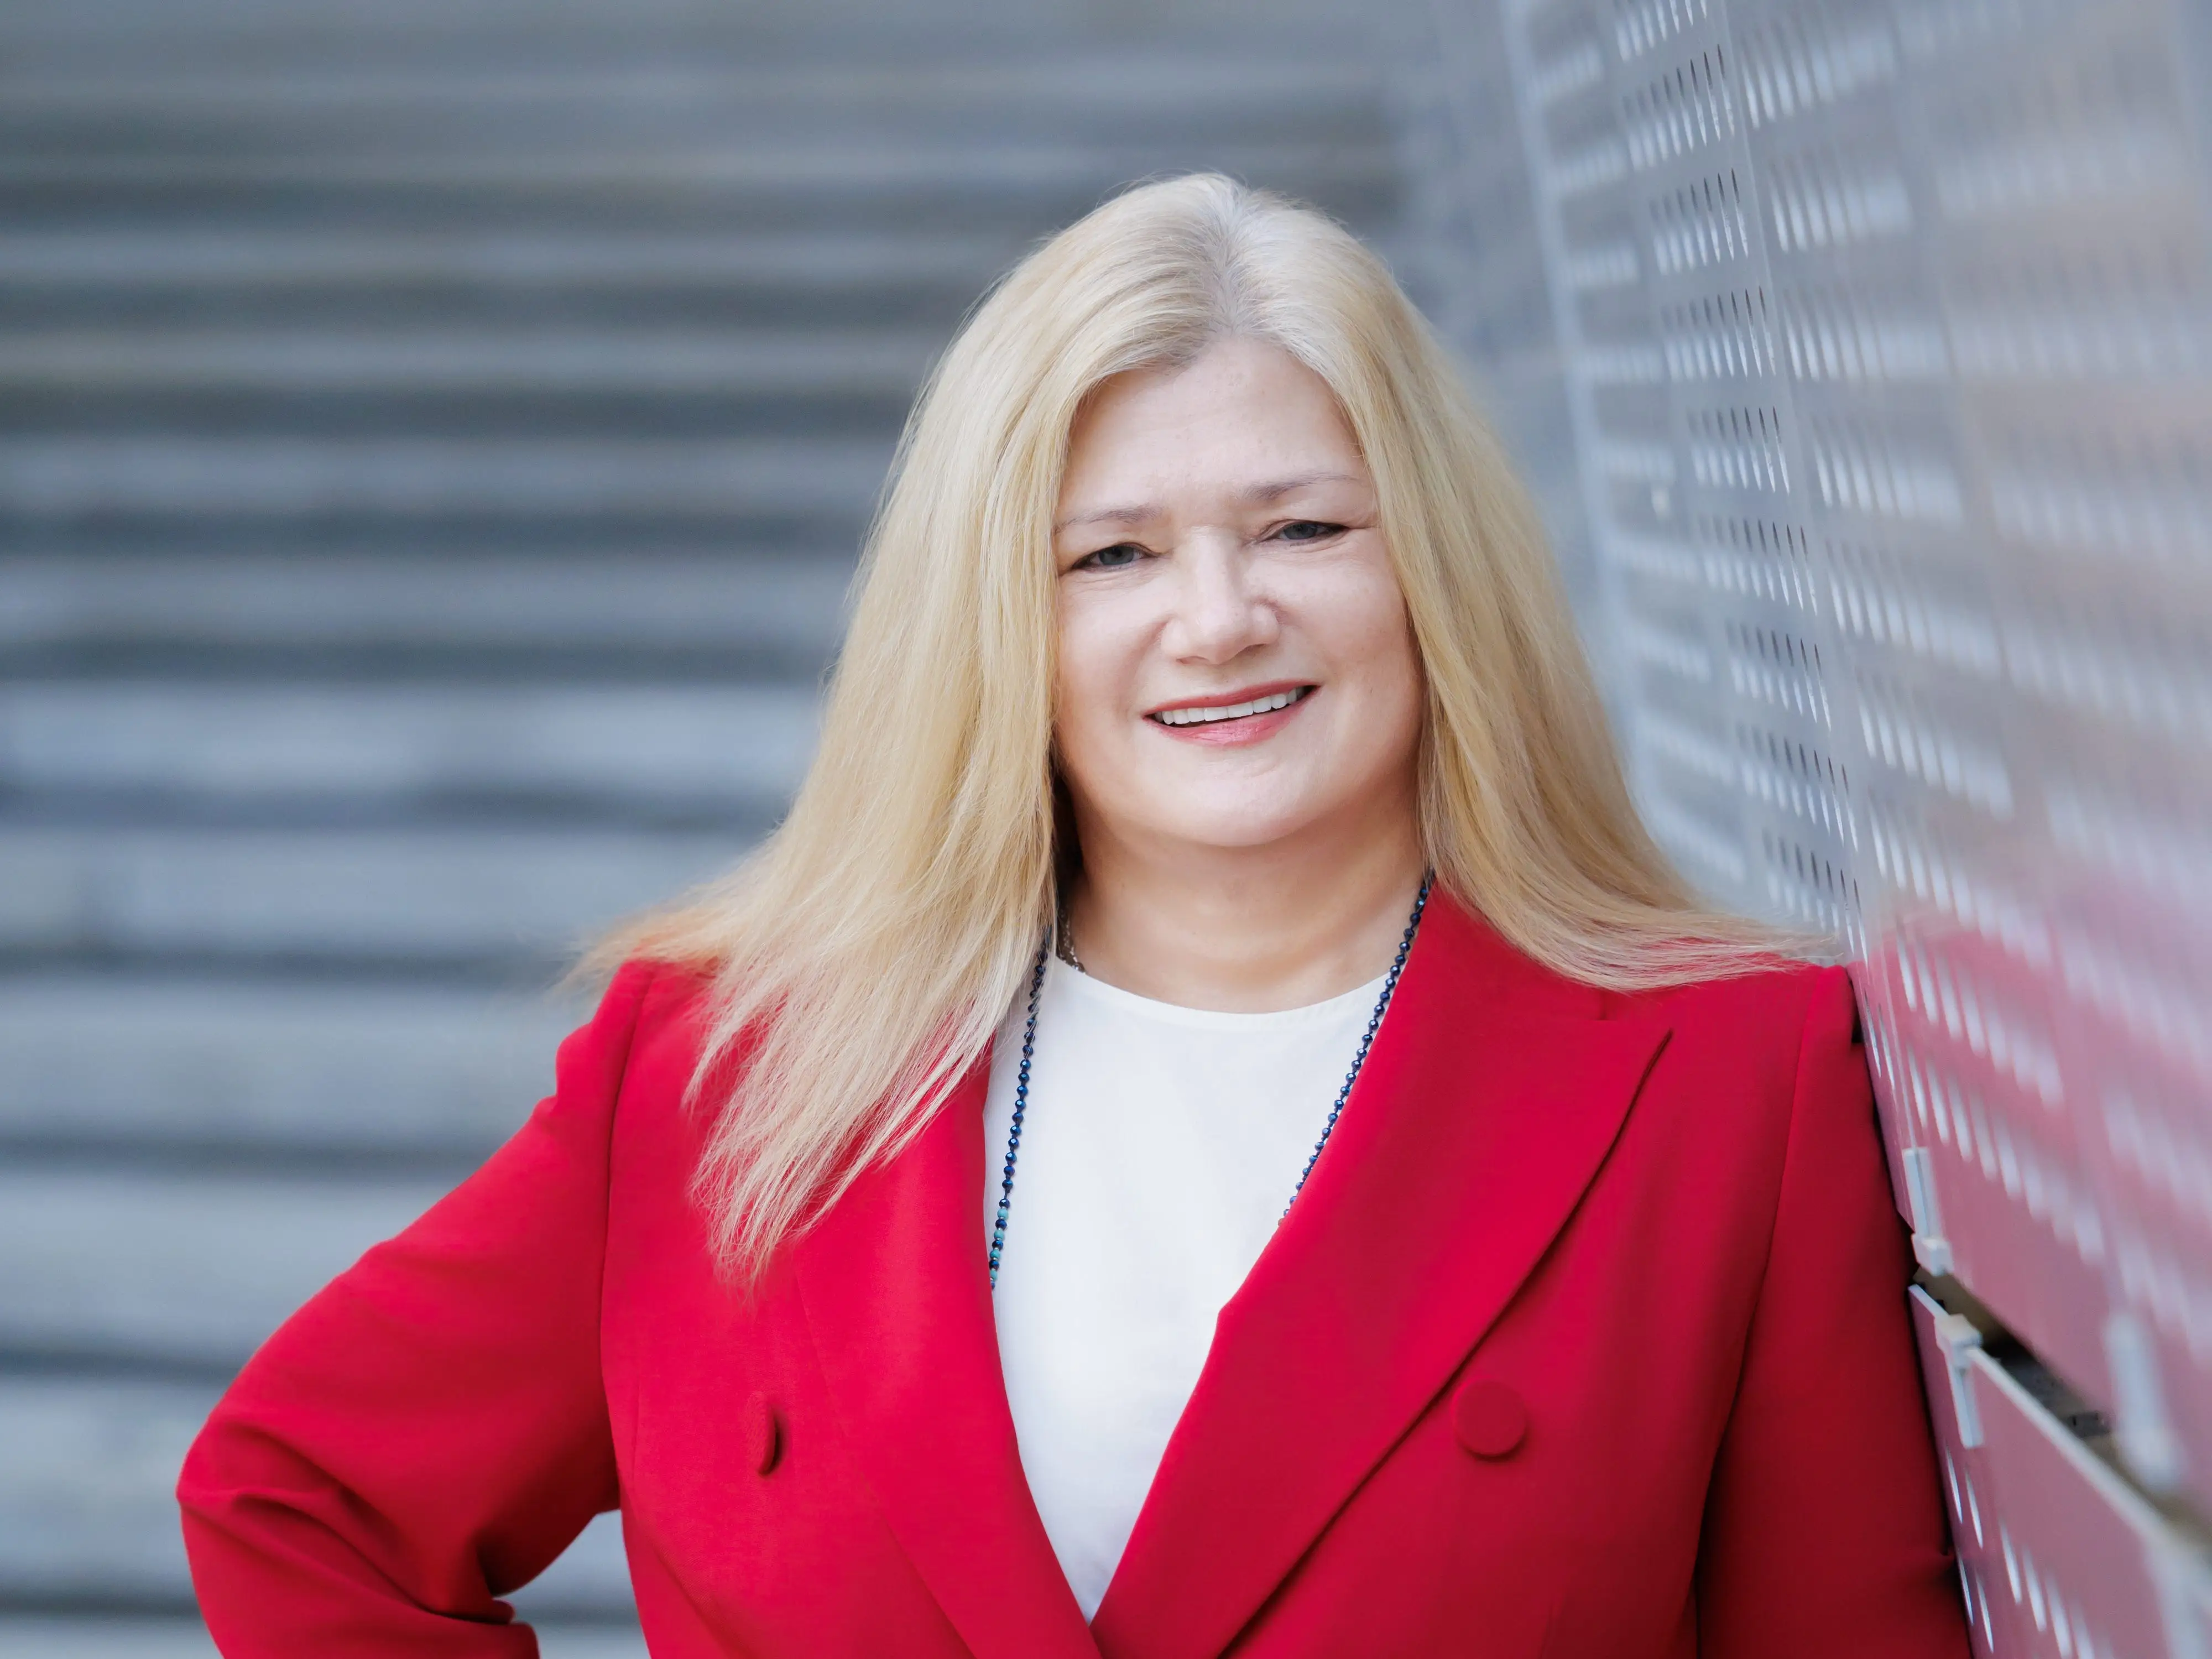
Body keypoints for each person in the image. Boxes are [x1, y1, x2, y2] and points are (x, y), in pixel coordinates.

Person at [178, 174, 1968, 1657]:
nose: (1216, 619)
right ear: (995, 624)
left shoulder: (1743, 1077)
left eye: (1304, 529)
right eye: (1111, 555)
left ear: (1439, 570)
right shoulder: (723, 1073)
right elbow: (295, 1499)